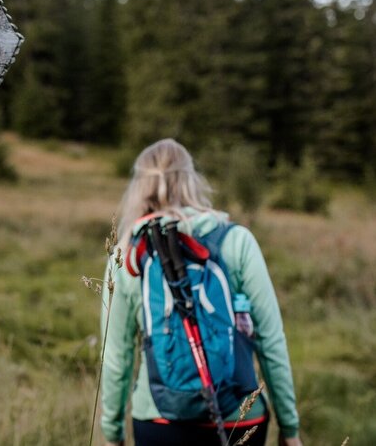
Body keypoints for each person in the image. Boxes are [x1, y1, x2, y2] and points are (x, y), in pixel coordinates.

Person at [100, 139, 302, 446]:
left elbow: (116, 356)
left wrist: (112, 433)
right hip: (239, 418)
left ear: (139, 185)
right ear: (192, 180)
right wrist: (290, 428)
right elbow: (271, 341)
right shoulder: (237, 241)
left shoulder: (128, 254)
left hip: (158, 421)